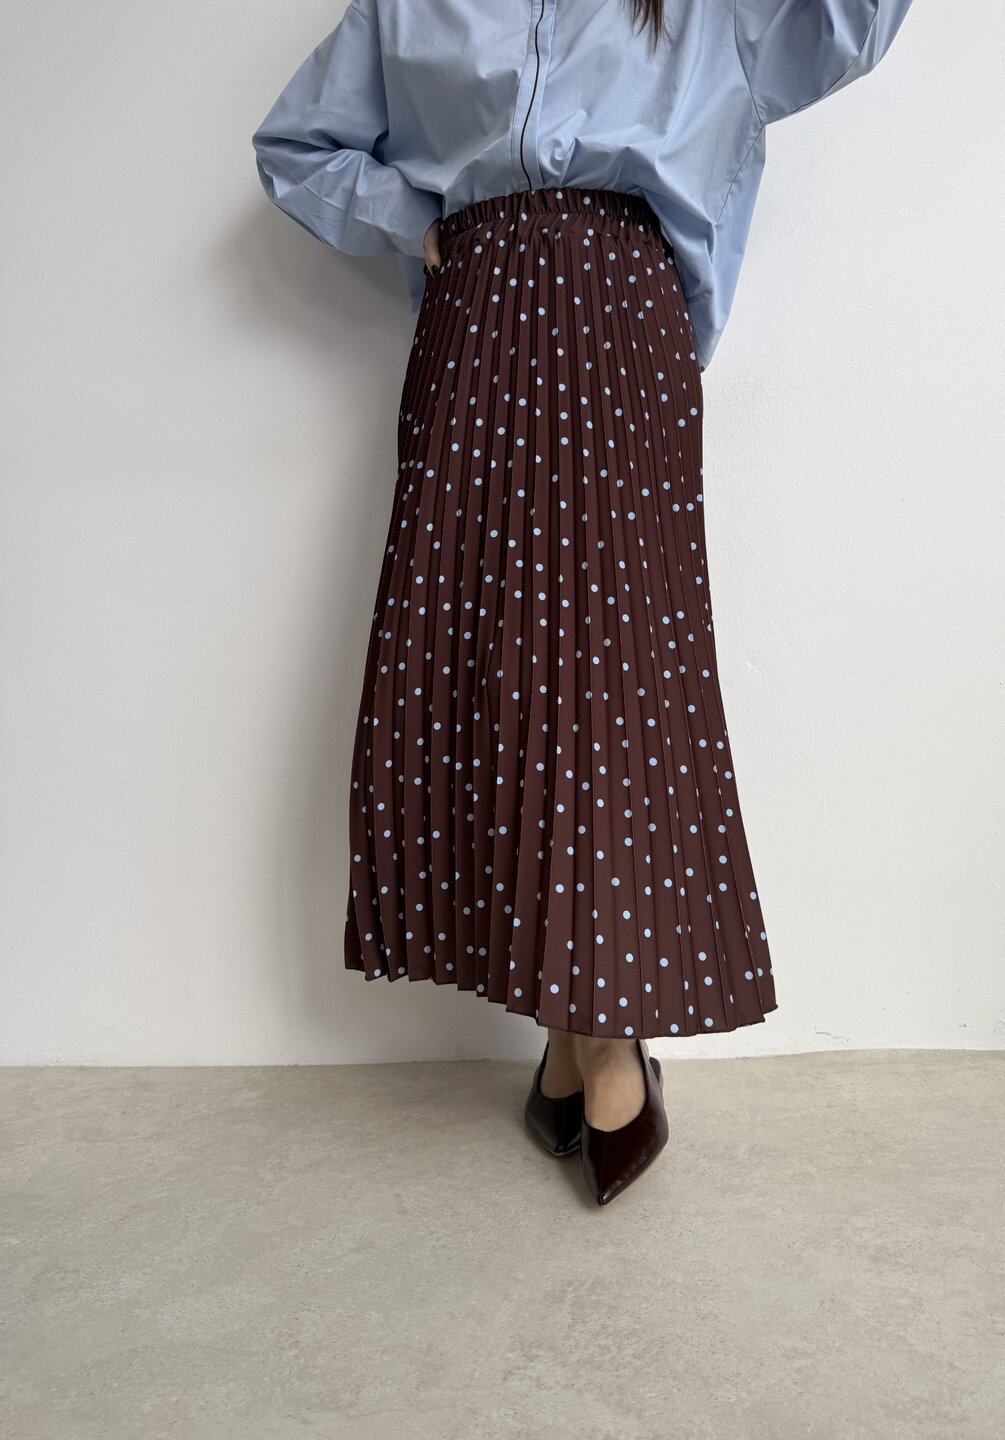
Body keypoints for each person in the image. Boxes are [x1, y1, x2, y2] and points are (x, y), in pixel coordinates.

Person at [251, 0, 916, 1205]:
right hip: (476, 327)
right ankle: (586, 1039)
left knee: (609, 687)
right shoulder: (411, 5)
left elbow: (851, 23)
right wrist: (413, 222)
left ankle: (594, 1041)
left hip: (622, 319)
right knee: (492, 676)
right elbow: (296, 146)